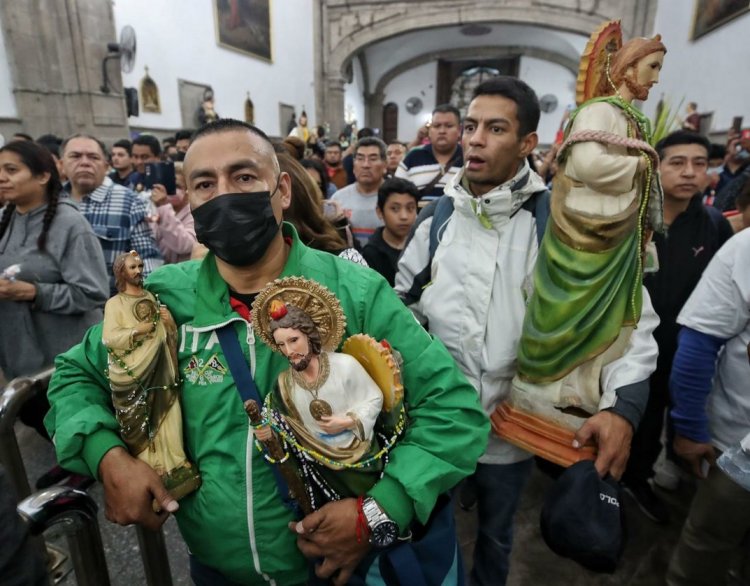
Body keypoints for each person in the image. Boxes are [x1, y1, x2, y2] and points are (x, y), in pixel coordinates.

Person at [45, 118, 489, 585]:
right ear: (190, 202)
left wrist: (380, 510)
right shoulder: (159, 301)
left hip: (333, 570)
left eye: (243, 177)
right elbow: (75, 376)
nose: (224, 195)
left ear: (281, 191)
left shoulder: (351, 293)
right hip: (216, 572)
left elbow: (452, 409)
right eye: (203, 184)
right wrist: (107, 457)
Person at [395, 76, 658, 586]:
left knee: (495, 532)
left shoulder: (560, 225)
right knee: (428, 525)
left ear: (527, 143)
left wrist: (623, 408)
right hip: (438, 422)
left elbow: (629, 322)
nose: (474, 139)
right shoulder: (440, 215)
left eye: (495, 128)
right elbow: (405, 296)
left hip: (509, 429)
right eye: (471, 126)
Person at [505, 27, 665, 462]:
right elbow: (587, 162)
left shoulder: (631, 118)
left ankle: (577, 390)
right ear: (628, 67)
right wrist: (642, 160)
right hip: (584, 231)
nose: (653, 79)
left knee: (606, 318)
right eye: (650, 68)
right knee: (564, 307)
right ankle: (543, 386)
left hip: (615, 237)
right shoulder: (598, 113)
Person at [621, 130, 733, 523]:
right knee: (639, 423)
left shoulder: (715, 226)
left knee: (678, 416)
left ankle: (657, 473)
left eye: (699, 164)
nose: (689, 172)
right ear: (656, 167)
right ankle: (628, 482)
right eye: (677, 162)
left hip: (688, 350)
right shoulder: (631, 219)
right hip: (632, 348)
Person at [0, 139, 108, 488]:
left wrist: (33, 291)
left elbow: (93, 291)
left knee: (70, 413)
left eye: (11, 170)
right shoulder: (7, 219)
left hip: (60, 354)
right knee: (36, 416)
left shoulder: (69, 225)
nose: (2, 178)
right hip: (21, 350)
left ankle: (92, 464)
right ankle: (77, 458)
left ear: (44, 175)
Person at [251, 280, 386, 506]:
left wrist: (348, 421)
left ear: (309, 336)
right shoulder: (285, 384)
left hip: (359, 456)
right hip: (319, 464)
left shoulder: (345, 366)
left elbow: (374, 398)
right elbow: (280, 420)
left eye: (294, 340)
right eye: (281, 344)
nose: (289, 351)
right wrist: (265, 429)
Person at [666, 228, 750, 586]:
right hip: (737, 448)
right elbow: (700, 340)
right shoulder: (746, 249)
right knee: (707, 546)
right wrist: (689, 427)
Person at [103, 250, 201, 500]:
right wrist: (137, 331)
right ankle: (152, 466)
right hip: (136, 374)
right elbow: (109, 338)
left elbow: (165, 334)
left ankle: (175, 463)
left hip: (161, 370)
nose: (138, 271)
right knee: (144, 419)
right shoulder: (115, 304)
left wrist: (169, 324)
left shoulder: (150, 296)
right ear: (121, 273)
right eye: (132, 268)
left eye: (139, 266)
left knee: (170, 413)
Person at [60, 134, 161, 293]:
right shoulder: (49, 202)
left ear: (106, 166)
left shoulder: (131, 202)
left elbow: (147, 261)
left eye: (93, 157)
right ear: (61, 165)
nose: (85, 162)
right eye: (75, 156)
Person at [396, 104, 463, 200]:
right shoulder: (413, 156)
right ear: (430, 130)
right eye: (436, 126)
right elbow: (396, 194)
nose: (442, 131)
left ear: (459, 130)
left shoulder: (469, 158)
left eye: (448, 126)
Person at [331, 137, 388, 246]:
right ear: (353, 165)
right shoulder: (338, 199)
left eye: (373, 158)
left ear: (385, 165)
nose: (365, 165)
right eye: (360, 158)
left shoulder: (394, 197)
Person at [362, 177, 419, 286]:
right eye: (395, 209)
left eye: (410, 208)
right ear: (380, 212)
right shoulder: (371, 253)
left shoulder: (423, 245)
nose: (404, 216)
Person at [149, 161, 196, 264]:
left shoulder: (195, 214)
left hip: (179, 274)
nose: (169, 191)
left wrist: (163, 206)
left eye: (178, 186)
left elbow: (184, 245)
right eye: (169, 185)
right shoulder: (154, 208)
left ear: (188, 191)